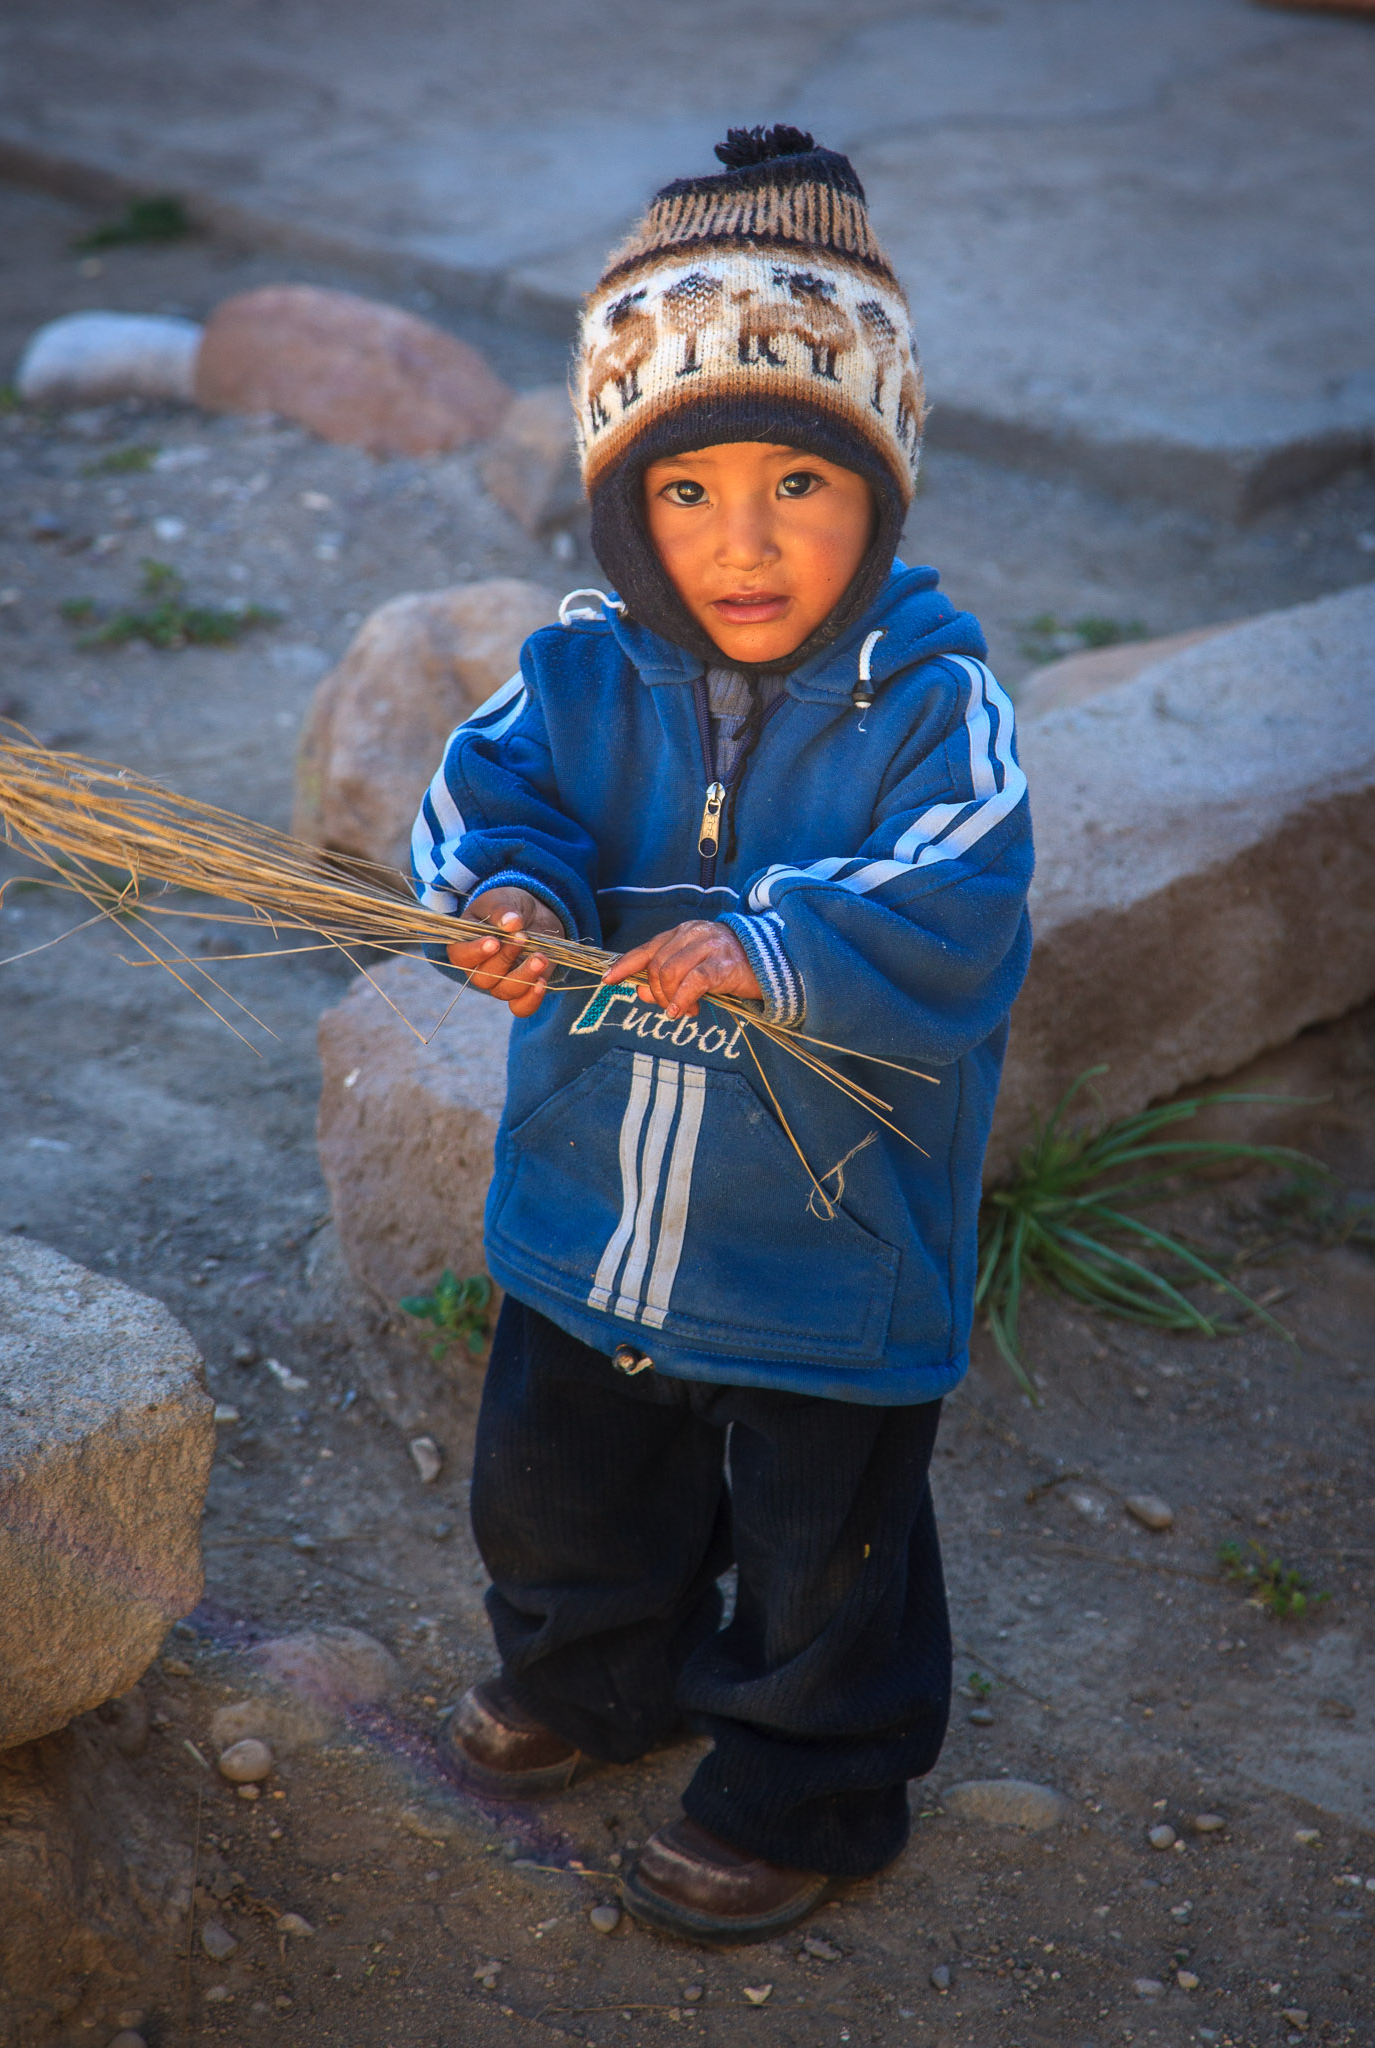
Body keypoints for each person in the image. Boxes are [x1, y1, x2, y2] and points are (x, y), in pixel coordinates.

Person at [412, 125, 1033, 1945]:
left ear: (883, 485)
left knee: (820, 1535)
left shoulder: (937, 702)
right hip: (593, 1207)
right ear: (621, 500)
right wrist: (505, 908)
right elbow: (484, 803)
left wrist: (774, 943)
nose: (742, 541)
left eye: (797, 485)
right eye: (685, 491)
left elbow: (963, 893)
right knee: (556, 1480)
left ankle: (806, 1776)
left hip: (826, 1235)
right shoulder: (578, 672)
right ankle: (596, 1673)